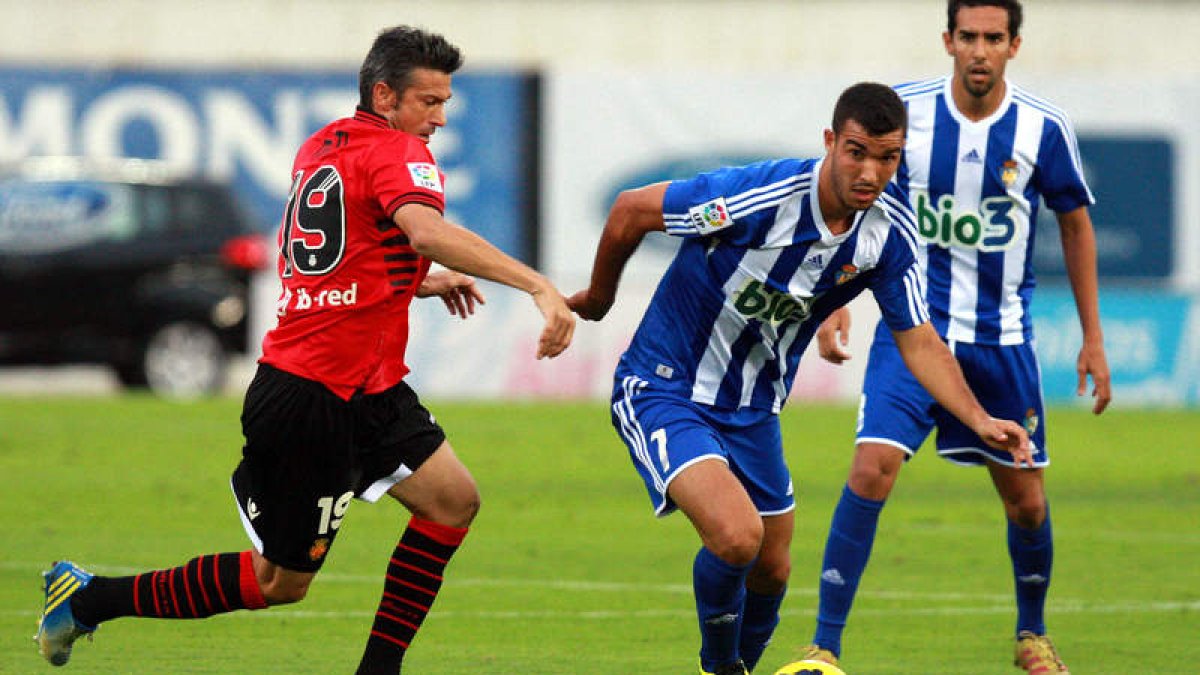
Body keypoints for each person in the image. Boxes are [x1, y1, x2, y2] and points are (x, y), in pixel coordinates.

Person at [35, 25, 575, 673]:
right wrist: (536, 284)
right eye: (429, 102)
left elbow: (337, 260)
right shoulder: (398, 153)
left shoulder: (322, 146)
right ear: (384, 95)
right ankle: (91, 597)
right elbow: (425, 231)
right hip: (312, 396)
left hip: (366, 385)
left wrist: (416, 282)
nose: (439, 117)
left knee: (453, 500)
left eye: (445, 102)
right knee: (279, 582)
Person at [567, 81, 1032, 675]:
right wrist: (601, 299)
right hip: (666, 385)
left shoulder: (887, 236)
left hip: (754, 408)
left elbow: (918, 339)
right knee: (737, 537)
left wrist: (979, 419)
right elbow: (631, 209)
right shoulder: (758, 195)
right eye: (857, 151)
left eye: (887, 157)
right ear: (831, 142)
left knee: (774, 567)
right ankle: (720, 669)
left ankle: (744, 664)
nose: (870, 171)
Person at [791, 2, 1111, 674]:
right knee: (869, 470)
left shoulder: (1043, 128)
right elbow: (852, 197)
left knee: (1025, 498)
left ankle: (1032, 633)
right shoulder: (902, 117)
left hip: (1004, 342)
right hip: (913, 333)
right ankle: (824, 646)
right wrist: (832, 299)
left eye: (994, 38)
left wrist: (1093, 337)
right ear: (948, 40)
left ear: (1014, 46)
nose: (979, 51)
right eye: (968, 36)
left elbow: (1076, 227)